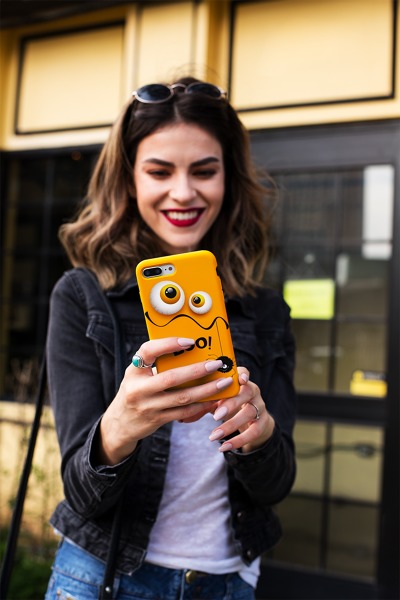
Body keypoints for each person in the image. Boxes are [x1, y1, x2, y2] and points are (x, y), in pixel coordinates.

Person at [45, 76, 297, 600]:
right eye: (159, 171)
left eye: (204, 171)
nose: (183, 192)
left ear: (229, 178)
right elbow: (81, 494)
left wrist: (260, 434)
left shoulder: (266, 310)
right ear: (129, 180)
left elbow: (277, 486)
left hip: (226, 583)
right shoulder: (83, 296)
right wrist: (120, 427)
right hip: (101, 578)